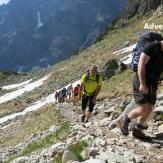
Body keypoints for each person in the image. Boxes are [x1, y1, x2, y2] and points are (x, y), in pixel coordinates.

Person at [120, 39, 163, 140]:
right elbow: (141, 64)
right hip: (141, 80)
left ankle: (137, 130)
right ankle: (125, 119)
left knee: (150, 108)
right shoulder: (152, 47)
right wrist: (143, 84)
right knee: (143, 108)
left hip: (153, 83)